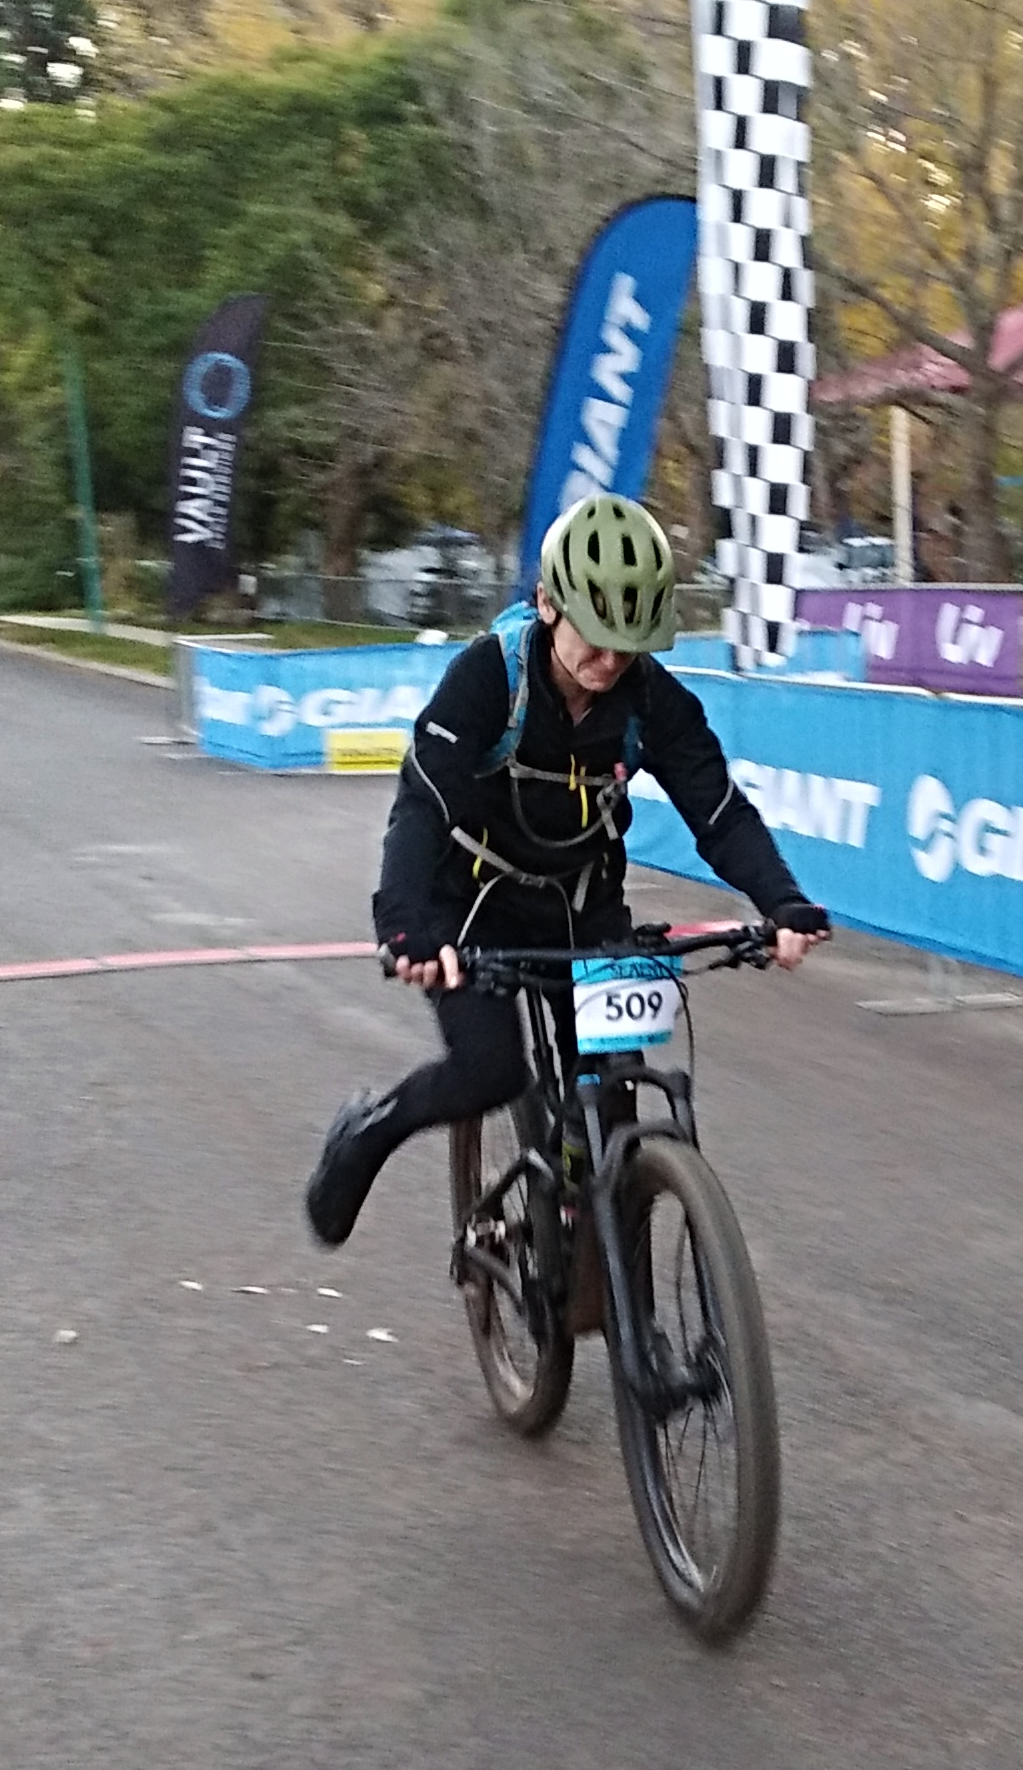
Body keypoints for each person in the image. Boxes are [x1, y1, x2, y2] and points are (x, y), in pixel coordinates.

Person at [305, 493, 828, 1248]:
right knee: (491, 1071)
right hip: (471, 904)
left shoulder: (653, 700)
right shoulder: (488, 678)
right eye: (596, 638)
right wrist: (405, 922)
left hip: (582, 904)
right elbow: (422, 806)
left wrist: (782, 900)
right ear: (549, 604)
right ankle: (369, 1131)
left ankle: (599, 1254)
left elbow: (718, 813)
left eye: (629, 646)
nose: (610, 663)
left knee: (614, 1092)